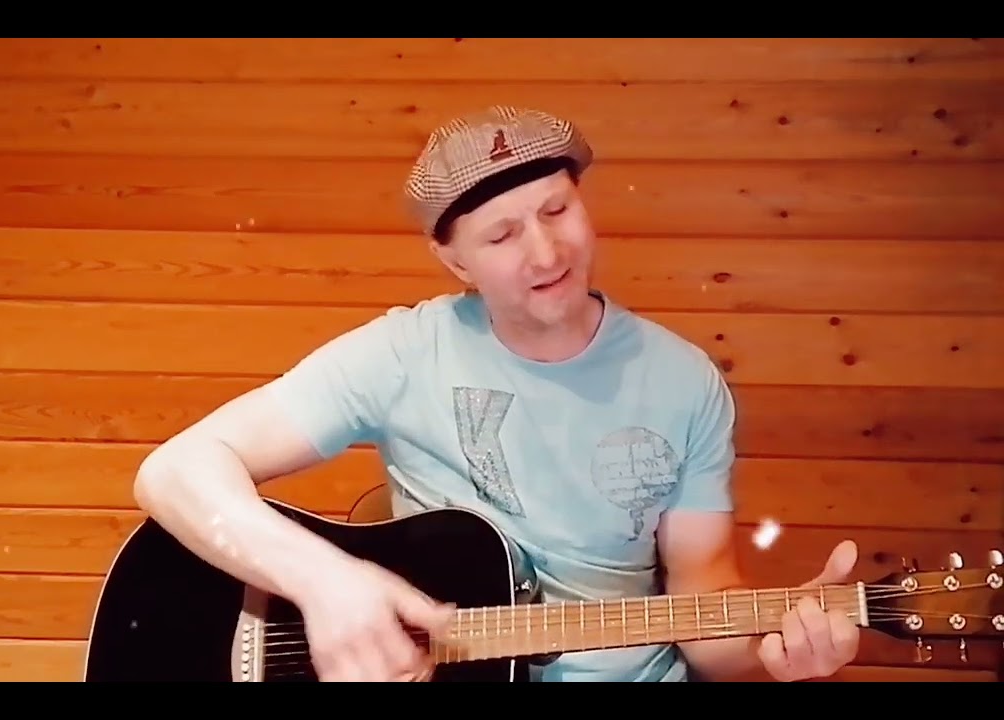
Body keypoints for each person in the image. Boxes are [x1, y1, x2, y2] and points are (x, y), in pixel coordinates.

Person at [133, 105, 861, 682]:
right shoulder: (403, 352)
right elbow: (172, 472)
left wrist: (776, 654)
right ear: (455, 261)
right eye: (502, 235)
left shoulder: (684, 381)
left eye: (557, 210)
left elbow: (704, 617)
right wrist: (325, 582)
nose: (546, 252)